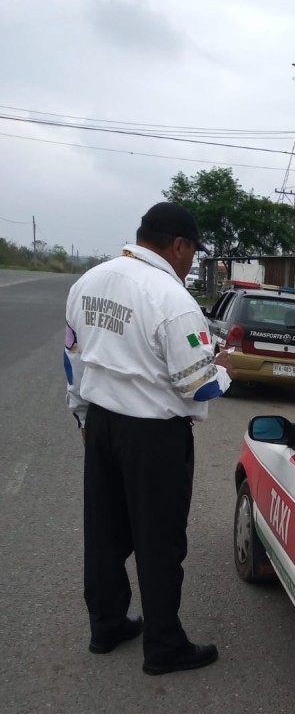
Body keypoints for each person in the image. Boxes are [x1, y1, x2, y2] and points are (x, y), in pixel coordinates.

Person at [64, 202, 234, 675]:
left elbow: (73, 360)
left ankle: (106, 625)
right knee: (160, 540)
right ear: (178, 245)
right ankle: (164, 645)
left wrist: (82, 418)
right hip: (154, 438)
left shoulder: (88, 282)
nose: (191, 262)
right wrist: (225, 370)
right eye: (193, 252)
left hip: (102, 424)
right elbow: (197, 385)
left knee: (104, 532)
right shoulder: (173, 299)